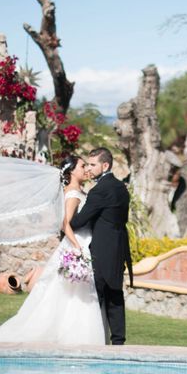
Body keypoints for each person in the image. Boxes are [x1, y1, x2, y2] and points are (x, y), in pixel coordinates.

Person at [0, 155, 106, 345]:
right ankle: (72, 335)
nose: (85, 169)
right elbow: (65, 223)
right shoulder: (72, 193)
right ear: (71, 171)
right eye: (81, 166)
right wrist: (77, 247)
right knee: (73, 290)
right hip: (77, 243)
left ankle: (71, 332)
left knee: (73, 291)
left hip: (81, 241)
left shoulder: (79, 190)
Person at [70, 147, 133, 345]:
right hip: (119, 247)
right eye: (87, 164)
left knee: (96, 296)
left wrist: (65, 220)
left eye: (92, 164)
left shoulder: (99, 191)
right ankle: (118, 341)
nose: (89, 168)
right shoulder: (121, 187)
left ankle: (94, 339)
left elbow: (79, 221)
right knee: (115, 294)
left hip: (102, 249)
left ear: (105, 165)